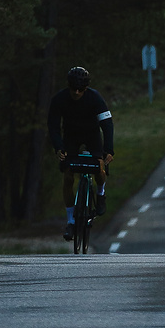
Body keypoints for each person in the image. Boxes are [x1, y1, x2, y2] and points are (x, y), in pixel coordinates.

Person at [47, 66, 114, 242]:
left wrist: (109, 149)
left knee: (99, 168)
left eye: (80, 89)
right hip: (71, 136)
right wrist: (58, 147)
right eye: (73, 89)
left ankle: (101, 192)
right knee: (68, 175)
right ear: (68, 86)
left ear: (86, 88)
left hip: (92, 135)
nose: (76, 92)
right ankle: (71, 221)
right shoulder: (59, 99)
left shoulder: (95, 98)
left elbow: (107, 124)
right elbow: (53, 126)